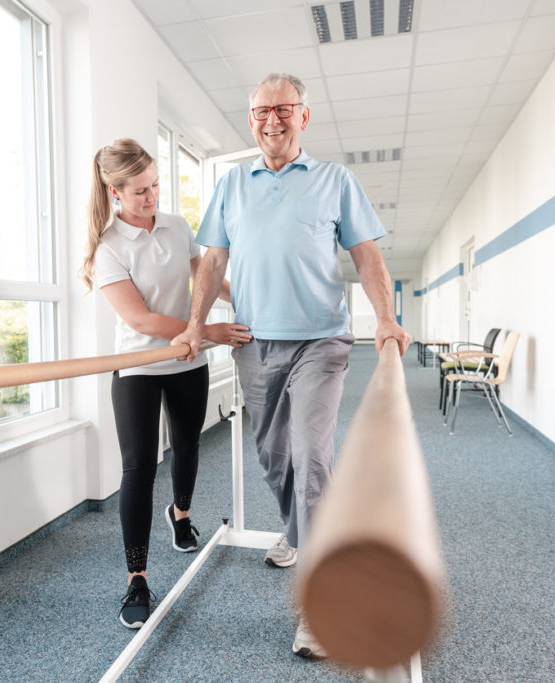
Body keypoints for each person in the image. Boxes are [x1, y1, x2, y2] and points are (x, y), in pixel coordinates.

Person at [172, 74, 412, 658]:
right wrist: (193, 325)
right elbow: (211, 261)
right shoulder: (231, 183)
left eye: (283, 109)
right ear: (250, 118)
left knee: (310, 460)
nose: (271, 120)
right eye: (260, 111)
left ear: (305, 116)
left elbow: (366, 253)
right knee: (274, 459)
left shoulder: (335, 180)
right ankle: (302, 531)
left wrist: (385, 318)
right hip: (254, 344)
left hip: (320, 343)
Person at [80, 138, 252, 630]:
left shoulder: (176, 226)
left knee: (187, 445)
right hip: (138, 364)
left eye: (155, 185)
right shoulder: (108, 247)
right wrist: (206, 330)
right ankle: (136, 578)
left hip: (186, 361)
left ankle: (180, 515)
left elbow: (203, 273)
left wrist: (240, 300)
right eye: (140, 191)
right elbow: (140, 317)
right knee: (137, 470)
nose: (152, 196)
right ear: (115, 192)